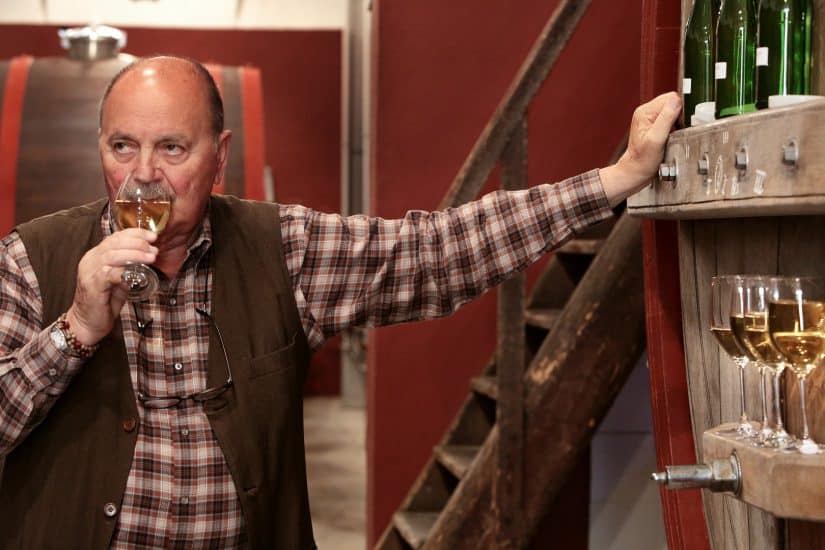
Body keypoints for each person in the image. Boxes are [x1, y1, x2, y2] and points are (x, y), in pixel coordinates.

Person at [0, 55, 680, 549]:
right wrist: (75, 330)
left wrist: (613, 180)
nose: (143, 174)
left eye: (172, 147)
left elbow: (435, 251)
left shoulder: (281, 249)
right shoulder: (33, 259)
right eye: (123, 146)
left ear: (220, 156)